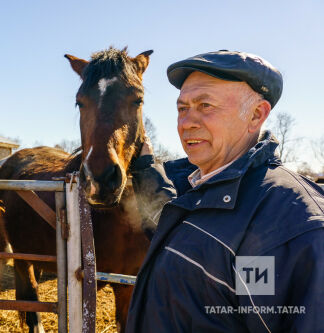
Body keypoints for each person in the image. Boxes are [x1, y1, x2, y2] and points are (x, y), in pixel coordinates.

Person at [126, 50, 324, 332]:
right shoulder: (199, 186)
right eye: (182, 108)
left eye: (205, 105)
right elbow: (179, 229)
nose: (186, 123)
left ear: (256, 115)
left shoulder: (291, 225)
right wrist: (147, 169)